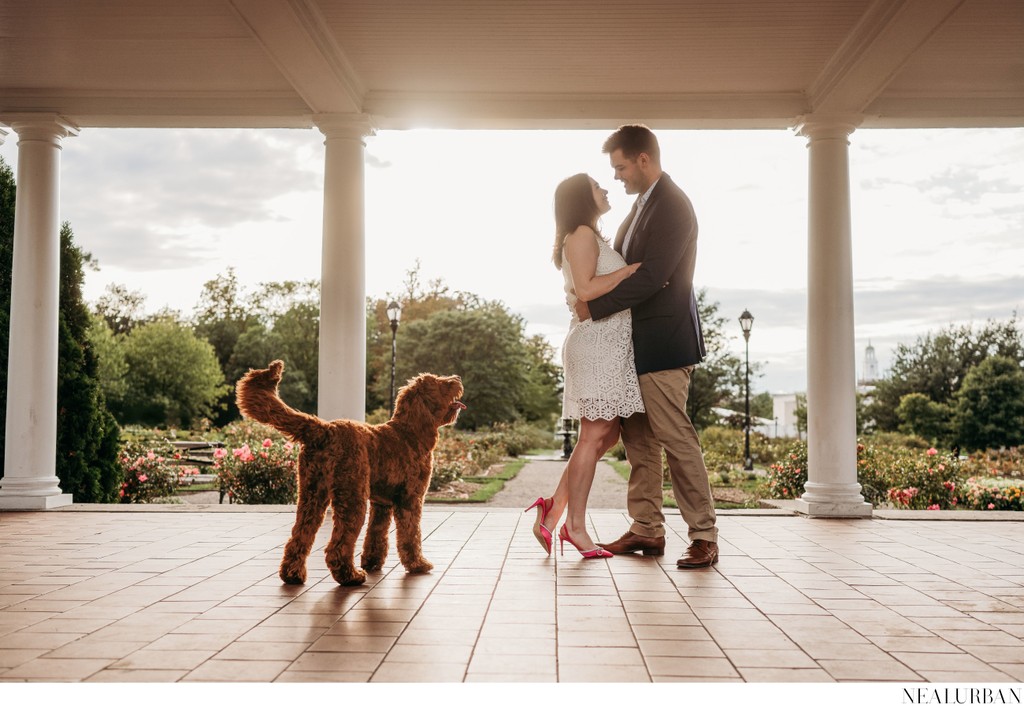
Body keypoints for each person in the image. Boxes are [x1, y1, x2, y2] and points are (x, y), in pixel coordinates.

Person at [575, 124, 719, 569]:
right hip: (632, 347)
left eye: (620, 167)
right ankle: (646, 529)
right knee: (639, 441)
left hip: (665, 342)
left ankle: (704, 535)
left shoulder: (673, 206)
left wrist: (593, 310)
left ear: (643, 159)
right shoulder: (640, 207)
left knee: (675, 437)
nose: (617, 176)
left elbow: (653, 276)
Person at [525, 173, 645, 559]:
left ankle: (553, 509)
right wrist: (629, 272)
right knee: (594, 436)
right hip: (595, 344)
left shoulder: (588, 235)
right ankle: (574, 527)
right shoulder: (579, 234)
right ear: (582, 197)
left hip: (607, 343)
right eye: (597, 185)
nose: (606, 188)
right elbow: (588, 290)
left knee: (603, 436)